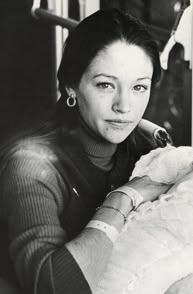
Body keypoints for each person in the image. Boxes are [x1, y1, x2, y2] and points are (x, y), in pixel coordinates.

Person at [0, 8, 171, 294]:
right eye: (105, 85)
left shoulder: (146, 149)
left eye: (139, 88)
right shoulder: (31, 164)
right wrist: (122, 198)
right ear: (71, 86)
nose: (124, 106)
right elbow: (54, 287)